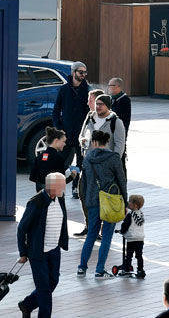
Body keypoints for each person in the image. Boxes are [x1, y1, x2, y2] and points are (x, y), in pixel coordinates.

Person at [16, 172, 68, 318]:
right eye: (61, 185)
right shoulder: (36, 202)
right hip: (38, 252)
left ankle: (27, 304)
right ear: (52, 186)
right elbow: (22, 228)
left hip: (54, 249)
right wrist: (23, 253)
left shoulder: (60, 198)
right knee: (44, 289)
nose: (64, 187)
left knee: (53, 281)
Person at [76, 130, 126, 279]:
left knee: (91, 235)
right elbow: (121, 180)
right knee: (106, 236)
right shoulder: (114, 158)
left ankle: (81, 268)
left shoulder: (87, 158)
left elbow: (83, 183)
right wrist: (125, 200)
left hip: (92, 201)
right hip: (110, 201)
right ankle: (99, 270)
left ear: (94, 143)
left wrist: (86, 201)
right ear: (107, 142)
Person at [52, 62, 90, 180]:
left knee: (80, 160)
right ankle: (58, 182)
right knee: (61, 160)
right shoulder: (64, 89)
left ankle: (76, 185)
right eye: (80, 72)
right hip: (66, 132)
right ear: (73, 73)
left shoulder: (88, 90)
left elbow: (90, 111)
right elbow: (56, 110)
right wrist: (59, 128)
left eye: (85, 72)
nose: (83, 75)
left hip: (81, 132)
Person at [29, 127, 76, 193]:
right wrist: (72, 176)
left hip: (40, 194)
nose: (65, 144)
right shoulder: (58, 158)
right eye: (63, 141)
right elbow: (61, 183)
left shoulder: (39, 157)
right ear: (56, 141)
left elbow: (32, 177)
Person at [117, 194, 146, 278]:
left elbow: (125, 225)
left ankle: (126, 269)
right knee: (139, 255)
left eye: (130, 202)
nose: (128, 203)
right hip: (140, 238)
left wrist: (121, 231)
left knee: (129, 255)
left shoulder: (130, 215)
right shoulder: (141, 214)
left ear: (135, 205)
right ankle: (140, 270)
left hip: (131, 239)